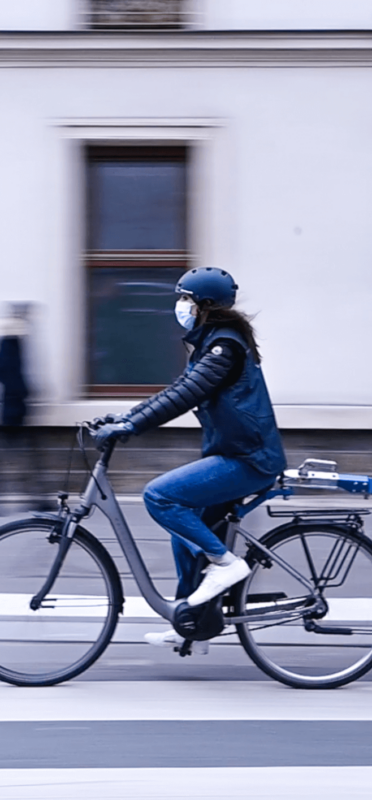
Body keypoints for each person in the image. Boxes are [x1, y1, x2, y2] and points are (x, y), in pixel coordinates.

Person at [93, 267, 287, 654]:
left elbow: (186, 394)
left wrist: (132, 427)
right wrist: (125, 418)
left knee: (161, 497)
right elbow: (179, 389)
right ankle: (191, 621)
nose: (180, 306)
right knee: (187, 530)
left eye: (186, 299)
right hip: (235, 453)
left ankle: (227, 566)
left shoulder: (224, 347)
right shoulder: (212, 342)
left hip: (248, 459)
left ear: (206, 307)